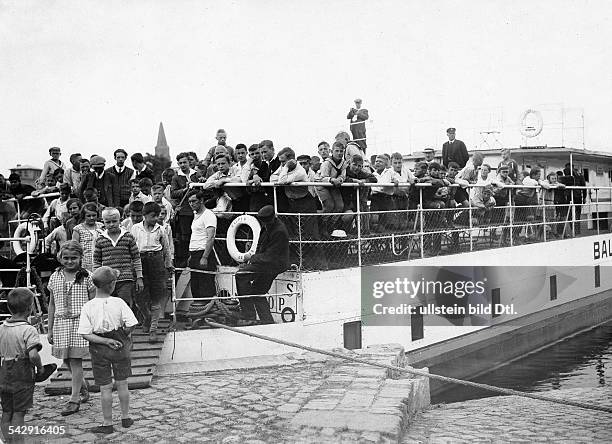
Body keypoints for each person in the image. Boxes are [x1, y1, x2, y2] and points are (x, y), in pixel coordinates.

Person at [78, 266, 138, 434]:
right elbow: (132, 323)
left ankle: (107, 423)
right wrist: (122, 336)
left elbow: (85, 333)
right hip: (119, 344)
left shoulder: (88, 306)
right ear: (112, 285)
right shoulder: (119, 302)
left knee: (105, 387)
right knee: (122, 384)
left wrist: (105, 341)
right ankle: (126, 418)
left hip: (99, 347)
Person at [47, 241, 95, 416]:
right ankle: (82, 384)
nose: (69, 261)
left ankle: (74, 399)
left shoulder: (87, 277)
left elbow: (93, 304)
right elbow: (51, 304)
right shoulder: (55, 277)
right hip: (60, 324)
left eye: (73, 258)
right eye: (65, 258)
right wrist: (50, 328)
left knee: (75, 361)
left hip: (79, 324)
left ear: (81, 258)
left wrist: (92, 326)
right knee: (66, 360)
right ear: (60, 257)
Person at [0, 288, 48, 442]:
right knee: (19, 412)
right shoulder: (29, 330)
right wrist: (40, 368)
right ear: (29, 309)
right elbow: (33, 355)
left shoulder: (1, 328)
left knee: (7, 411)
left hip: (3, 373)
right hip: (21, 373)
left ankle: (8, 440)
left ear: (9, 308)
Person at [236, 206, 289, 325]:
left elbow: (271, 256)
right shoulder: (268, 226)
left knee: (241, 275)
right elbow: (261, 246)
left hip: (273, 264)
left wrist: (252, 258)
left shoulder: (279, 231)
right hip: (267, 262)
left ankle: (248, 315)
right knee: (258, 292)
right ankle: (267, 322)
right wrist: (252, 260)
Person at [131, 202, 172, 342]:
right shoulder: (135, 229)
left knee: (156, 295)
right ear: (145, 215)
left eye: (158, 216)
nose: (155, 218)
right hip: (139, 261)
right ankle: (147, 317)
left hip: (156, 262)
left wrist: (168, 265)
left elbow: (166, 249)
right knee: (139, 296)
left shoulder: (161, 230)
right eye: (152, 216)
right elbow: (131, 248)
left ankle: (153, 329)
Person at [94, 208, 144, 307]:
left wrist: (139, 277)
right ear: (103, 222)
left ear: (120, 220)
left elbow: (136, 258)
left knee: (125, 304)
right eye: (108, 222)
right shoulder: (100, 239)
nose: (111, 224)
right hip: (107, 280)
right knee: (108, 305)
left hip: (126, 278)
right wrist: (97, 279)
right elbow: (97, 262)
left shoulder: (128, 236)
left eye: (114, 221)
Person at [180, 192, 217, 318]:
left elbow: (211, 237)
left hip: (203, 254)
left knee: (206, 286)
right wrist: (192, 255)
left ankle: (208, 316)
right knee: (196, 286)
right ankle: (199, 317)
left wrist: (205, 257)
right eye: (189, 202)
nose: (191, 204)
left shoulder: (209, 215)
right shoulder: (196, 215)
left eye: (194, 201)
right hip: (195, 254)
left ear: (201, 200)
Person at [171, 152, 199, 268]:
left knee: (197, 234)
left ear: (189, 162)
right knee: (185, 237)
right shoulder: (176, 177)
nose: (182, 165)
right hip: (185, 211)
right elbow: (173, 193)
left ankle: (195, 257)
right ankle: (186, 260)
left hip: (197, 210)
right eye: (180, 163)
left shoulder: (196, 174)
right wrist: (184, 189)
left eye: (185, 162)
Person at [72, 203, 103, 271]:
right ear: (84, 216)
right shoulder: (78, 229)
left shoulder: (101, 226)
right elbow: (75, 248)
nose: (91, 218)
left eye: (94, 215)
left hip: (100, 261)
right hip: (85, 263)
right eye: (88, 216)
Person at [558, 163, 587, 235]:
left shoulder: (578, 176)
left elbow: (583, 187)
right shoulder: (579, 176)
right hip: (574, 197)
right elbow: (584, 188)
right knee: (574, 215)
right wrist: (584, 198)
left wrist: (584, 198)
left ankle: (575, 231)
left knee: (572, 215)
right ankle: (576, 231)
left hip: (572, 197)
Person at [242, 144, 271, 212]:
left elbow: (266, 179)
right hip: (254, 198)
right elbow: (244, 179)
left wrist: (256, 176)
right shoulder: (248, 167)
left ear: (261, 153)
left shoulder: (267, 164)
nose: (255, 156)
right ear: (249, 156)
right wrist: (248, 163)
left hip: (267, 197)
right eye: (252, 154)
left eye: (257, 153)